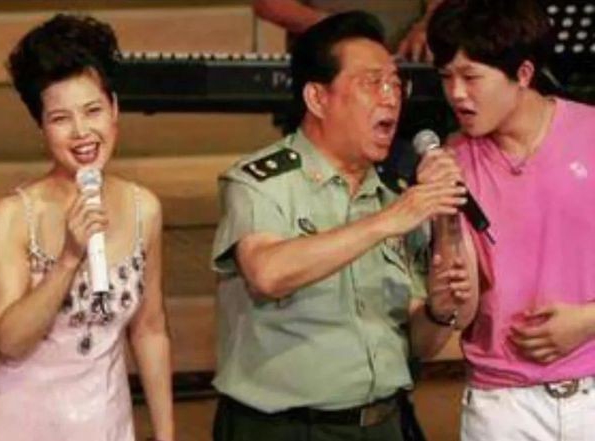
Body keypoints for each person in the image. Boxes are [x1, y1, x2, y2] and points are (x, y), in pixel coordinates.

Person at [211, 11, 472, 441]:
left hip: (382, 423)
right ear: (318, 98)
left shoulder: (393, 195)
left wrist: (437, 312)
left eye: (396, 84)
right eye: (372, 83)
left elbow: (418, 346)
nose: (390, 98)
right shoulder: (260, 181)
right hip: (286, 429)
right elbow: (268, 273)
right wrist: (386, 222)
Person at [0, 14, 174, 441]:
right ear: (41, 126)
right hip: (17, 424)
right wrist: (69, 259)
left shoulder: (143, 208)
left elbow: (149, 329)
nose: (81, 132)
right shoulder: (12, 216)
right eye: (60, 118)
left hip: (103, 421)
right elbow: (10, 341)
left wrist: (166, 434)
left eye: (93, 110)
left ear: (114, 109)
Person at [424, 1, 595, 440]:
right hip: (501, 404)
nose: (456, 93)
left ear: (522, 73)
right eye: (446, 77)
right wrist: (442, 212)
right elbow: (460, 310)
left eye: (471, 77)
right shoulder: (453, 161)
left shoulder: (590, 134)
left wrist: (588, 321)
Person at [253, 0, 443, 62]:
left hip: (410, 64)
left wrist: (429, 25)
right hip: (327, 67)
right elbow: (269, 4)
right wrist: (341, 28)